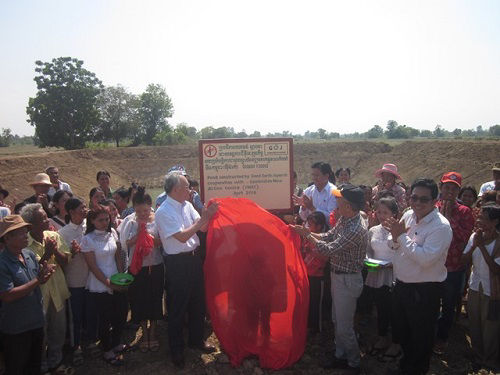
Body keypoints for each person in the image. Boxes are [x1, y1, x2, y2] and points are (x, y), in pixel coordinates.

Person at [292, 183, 367, 374]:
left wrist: (307, 235)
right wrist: (310, 234)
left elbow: (328, 249)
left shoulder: (355, 228)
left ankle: (353, 362)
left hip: (347, 280)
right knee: (337, 320)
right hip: (339, 277)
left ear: (349, 206)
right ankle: (341, 355)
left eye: (339, 200)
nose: (336, 202)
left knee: (344, 325)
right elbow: (329, 235)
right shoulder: (346, 219)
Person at [384, 178, 453, 375]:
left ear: (434, 201)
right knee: (403, 331)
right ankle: (406, 367)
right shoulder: (409, 216)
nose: (417, 203)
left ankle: (416, 370)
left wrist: (401, 237)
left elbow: (425, 259)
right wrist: (397, 239)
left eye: (424, 199)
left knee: (421, 338)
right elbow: (392, 243)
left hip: (424, 290)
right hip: (403, 286)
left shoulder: (441, 227)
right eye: (414, 198)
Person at [155, 171, 218, 368]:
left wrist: (210, 216)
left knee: (198, 302)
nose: (190, 190)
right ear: (175, 189)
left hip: (193, 260)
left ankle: (196, 340)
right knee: (177, 308)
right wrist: (203, 219)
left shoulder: (187, 205)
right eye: (186, 187)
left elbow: (202, 229)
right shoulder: (163, 211)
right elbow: (181, 237)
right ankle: (176, 349)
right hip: (177, 263)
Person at [0, 215, 56, 375]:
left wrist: (43, 276)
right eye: (20, 233)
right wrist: (38, 280)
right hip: (16, 328)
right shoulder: (2, 263)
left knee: (34, 366)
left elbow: (35, 281)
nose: (26, 235)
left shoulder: (29, 255)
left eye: (25, 231)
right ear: (7, 238)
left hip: (36, 322)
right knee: (17, 367)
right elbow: (7, 295)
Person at [20, 203, 72, 374]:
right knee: (40, 334)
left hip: (57, 291)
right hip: (39, 296)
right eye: (42, 218)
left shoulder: (53, 236)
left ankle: (55, 362)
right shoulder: (23, 243)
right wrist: (47, 254)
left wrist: (55, 251)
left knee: (58, 330)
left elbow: (65, 261)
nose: (47, 219)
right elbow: (30, 270)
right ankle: (41, 366)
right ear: (31, 225)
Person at [81, 206, 128, 366]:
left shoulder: (112, 233)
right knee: (105, 318)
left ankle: (116, 342)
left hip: (115, 277)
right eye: (100, 220)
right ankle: (107, 349)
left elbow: (118, 257)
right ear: (92, 221)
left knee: (119, 314)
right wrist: (108, 283)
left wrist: (121, 278)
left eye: (107, 219)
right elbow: (93, 266)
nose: (104, 222)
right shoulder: (88, 239)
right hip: (99, 283)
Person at [118, 187, 164, 353]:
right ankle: (144, 333)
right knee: (140, 300)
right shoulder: (129, 221)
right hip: (137, 268)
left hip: (155, 266)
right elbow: (124, 244)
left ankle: (153, 332)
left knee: (155, 298)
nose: (143, 214)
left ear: (150, 206)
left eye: (145, 210)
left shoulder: (157, 219)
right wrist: (139, 234)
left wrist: (150, 239)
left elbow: (163, 242)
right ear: (134, 209)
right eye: (139, 211)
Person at [434, 172, 475, 354]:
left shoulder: (465, 212)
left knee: (449, 304)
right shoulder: (432, 207)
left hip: (453, 267)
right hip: (433, 265)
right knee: (432, 302)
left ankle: (442, 338)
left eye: (454, 188)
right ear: (441, 188)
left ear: (458, 190)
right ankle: (430, 333)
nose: (449, 191)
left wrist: (449, 219)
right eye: (447, 187)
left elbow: (464, 238)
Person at [58, 197, 98, 366]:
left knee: (91, 312)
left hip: (91, 278)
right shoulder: (63, 233)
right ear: (72, 212)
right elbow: (62, 261)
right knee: (76, 316)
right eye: (81, 208)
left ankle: (91, 341)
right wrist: (73, 252)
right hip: (75, 280)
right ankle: (76, 347)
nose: (85, 210)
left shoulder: (89, 227)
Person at [461, 203, 500, 371]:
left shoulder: (498, 242)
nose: (479, 221)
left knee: (490, 326)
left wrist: (482, 246)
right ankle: (478, 355)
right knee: (475, 323)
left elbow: (496, 269)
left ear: (495, 222)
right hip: (475, 286)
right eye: (479, 217)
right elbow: (464, 260)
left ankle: (489, 360)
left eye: (484, 218)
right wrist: (476, 244)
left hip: (493, 291)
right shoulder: (475, 237)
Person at [364, 197, 401, 362]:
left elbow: (404, 251)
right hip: (377, 273)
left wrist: (393, 265)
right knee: (381, 307)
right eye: (379, 211)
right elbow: (368, 251)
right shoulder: (373, 230)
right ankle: (382, 336)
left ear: (394, 213)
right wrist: (368, 261)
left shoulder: (400, 230)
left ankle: (397, 342)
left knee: (396, 309)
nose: (381, 215)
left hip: (394, 274)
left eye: (385, 212)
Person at [301, 211, 329, 335]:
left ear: (319, 226)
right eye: (308, 223)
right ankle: (309, 324)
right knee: (309, 300)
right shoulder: (307, 239)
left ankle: (318, 328)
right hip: (307, 275)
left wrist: (312, 250)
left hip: (318, 277)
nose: (308, 226)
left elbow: (325, 257)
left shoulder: (322, 240)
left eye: (311, 224)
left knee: (317, 302)